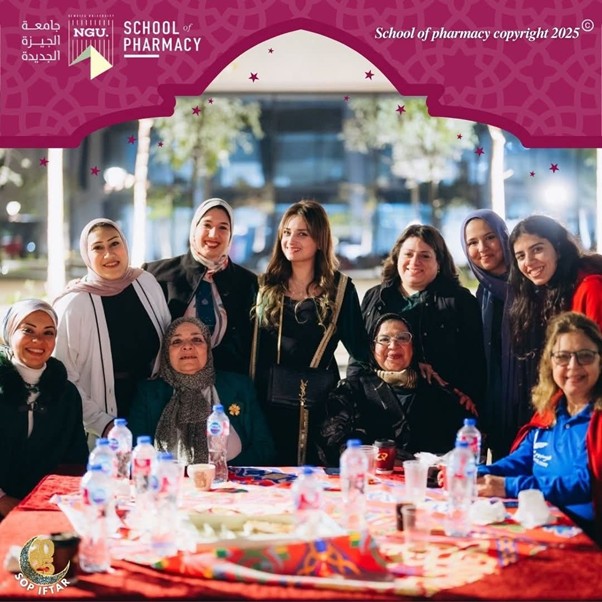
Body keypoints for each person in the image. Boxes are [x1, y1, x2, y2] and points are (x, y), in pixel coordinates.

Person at [251, 200, 369, 466]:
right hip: (268, 405)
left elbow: (361, 351)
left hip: (320, 409)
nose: (291, 240)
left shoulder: (340, 290)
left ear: (320, 240)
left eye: (302, 233)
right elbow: (251, 350)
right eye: (287, 232)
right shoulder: (264, 286)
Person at [478, 311, 602, 544]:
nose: (573, 366)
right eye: (563, 357)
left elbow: (584, 484)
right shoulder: (550, 410)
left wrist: (508, 486)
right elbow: (523, 459)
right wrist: (479, 472)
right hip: (539, 522)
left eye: (585, 356)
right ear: (550, 363)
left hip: (586, 538)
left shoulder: (597, 421)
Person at [53, 218, 171, 439]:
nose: (109, 254)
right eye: (98, 247)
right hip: (102, 421)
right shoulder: (73, 305)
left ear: (125, 244)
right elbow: (63, 376)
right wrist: (102, 424)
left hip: (151, 410)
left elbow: (167, 341)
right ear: (87, 255)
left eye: (114, 243)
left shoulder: (146, 282)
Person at [319, 313, 477, 466]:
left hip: (425, 480)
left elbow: (465, 446)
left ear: (413, 347)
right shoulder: (351, 390)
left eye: (402, 338)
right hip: (370, 479)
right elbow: (332, 439)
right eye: (384, 339)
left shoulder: (437, 392)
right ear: (373, 348)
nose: (393, 345)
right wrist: (380, 459)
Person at [360, 223, 485, 406]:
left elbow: (476, 359)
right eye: (408, 254)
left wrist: (470, 396)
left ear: (439, 262)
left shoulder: (460, 301)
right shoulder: (375, 297)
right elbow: (359, 355)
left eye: (425, 256)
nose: (414, 262)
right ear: (396, 257)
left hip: (440, 406)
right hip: (380, 403)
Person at [128, 317, 276, 466]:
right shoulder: (148, 393)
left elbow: (265, 447)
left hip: (230, 477)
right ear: (167, 352)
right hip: (169, 478)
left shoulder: (239, 386)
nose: (187, 346)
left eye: (197, 340)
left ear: (208, 349)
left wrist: (223, 471)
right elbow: (135, 451)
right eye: (177, 341)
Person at [507, 214, 602, 430]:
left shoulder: (591, 288)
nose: (529, 262)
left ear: (558, 249)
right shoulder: (549, 293)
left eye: (537, 249)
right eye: (520, 256)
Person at [143, 198, 257, 375]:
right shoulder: (155, 275)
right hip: (167, 382)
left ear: (230, 234)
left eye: (223, 227)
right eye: (207, 225)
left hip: (225, 384)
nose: (213, 234)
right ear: (194, 229)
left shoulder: (247, 282)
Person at [0, 300, 88, 518]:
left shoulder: (67, 394)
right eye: (28, 330)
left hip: (49, 507)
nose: (38, 340)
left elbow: (75, 458)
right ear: (9, 333)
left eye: (48, 333)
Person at [461, 209, 513, 458]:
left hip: (535, 410)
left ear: (504, 237)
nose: (482, 248)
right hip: (498, 413)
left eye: (490, 237)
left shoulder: (531, 285)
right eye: (472, 242)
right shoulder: (483, 294)